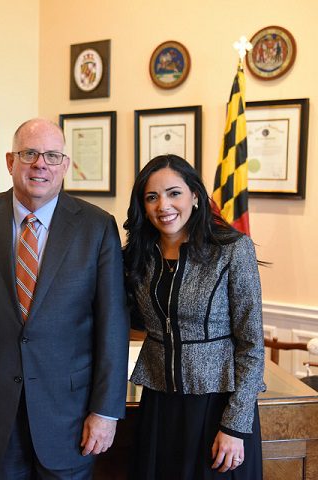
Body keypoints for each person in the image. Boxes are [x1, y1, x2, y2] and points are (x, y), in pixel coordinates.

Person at [0, 118, 130, 479]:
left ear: (65, 166)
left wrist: (105, 412)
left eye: (52, 156)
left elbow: (112, 326)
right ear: (11, 162)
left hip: (70, 415)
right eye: (29, 154)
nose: (41, 164)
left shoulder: (97, 226)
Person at [123, 155, 264, 479]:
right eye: (152, 197)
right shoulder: (137, 256)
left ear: (195, 196)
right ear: (143, 206)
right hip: (159, 406)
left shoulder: (232, 249)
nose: (163, 205)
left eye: (174, 193)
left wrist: (236, 426)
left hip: (218, 406)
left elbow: (252, 345)